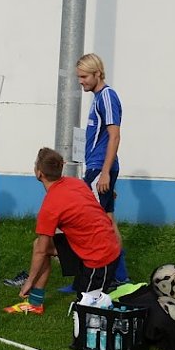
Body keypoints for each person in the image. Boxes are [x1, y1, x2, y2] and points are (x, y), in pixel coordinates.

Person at [5, 148, 121, 315]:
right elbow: (42, 247)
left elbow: (41, 252)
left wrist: (29, 282)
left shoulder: (50, 207)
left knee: (84, 311)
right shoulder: (75, 183)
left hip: (101, 258)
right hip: (94, 245)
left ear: (39, 173)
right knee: (40, 244)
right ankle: (35, 303)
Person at [76, 53, 130, 284]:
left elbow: (114, 136)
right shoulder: (98, 98)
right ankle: (119, 276)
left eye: (84, 77)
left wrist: (105, 173)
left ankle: (94, 277)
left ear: (97, 73)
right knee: (108, 221)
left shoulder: (107, 96)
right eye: (79, 77)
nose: (81, 81)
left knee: (91, 223)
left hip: (99, 168)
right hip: (98, 168)